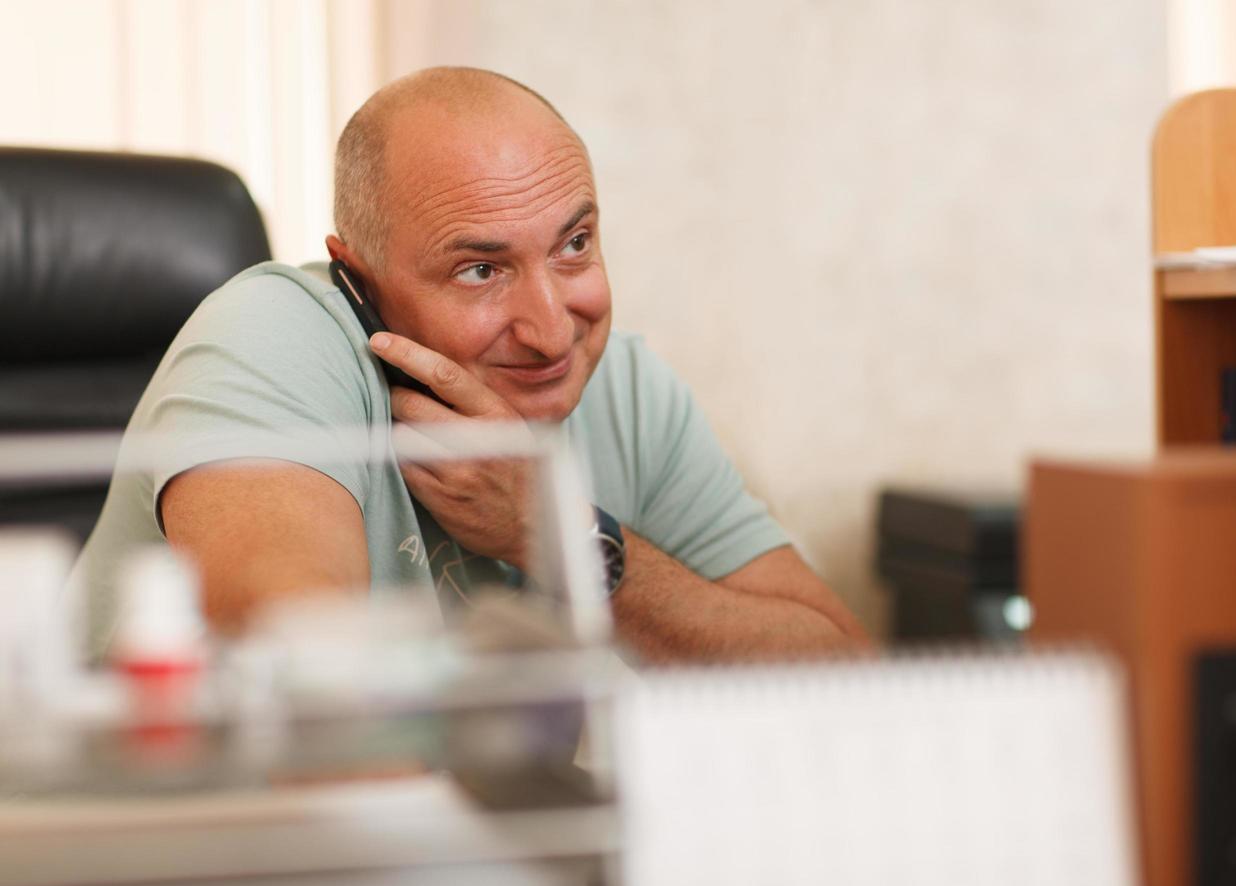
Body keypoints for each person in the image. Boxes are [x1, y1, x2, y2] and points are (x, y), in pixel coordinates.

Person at [74, 66, 868, 660]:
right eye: (481, 270)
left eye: (574, 246)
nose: (554, 332)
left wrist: (566, 538)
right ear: (358, 279)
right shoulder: (275, 334)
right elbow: (300, 660)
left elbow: (838, 672)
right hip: (130, 873)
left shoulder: (623, 385)